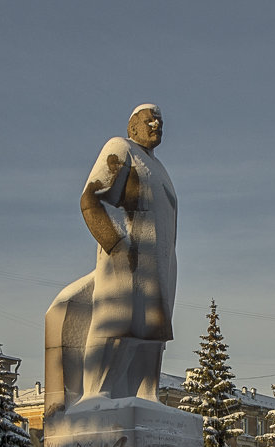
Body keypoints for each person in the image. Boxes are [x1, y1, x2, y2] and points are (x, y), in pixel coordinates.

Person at [44, 103, 179, 414]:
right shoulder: (122, 147)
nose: (156, 125)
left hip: (160, 262)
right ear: (132, 127)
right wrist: (117, 245)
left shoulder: (160, 168)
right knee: (118, 321)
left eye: (159, 120)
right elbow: (91, 200)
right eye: (149, 120)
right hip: (127, 256)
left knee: (153, 331)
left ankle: (148, 396)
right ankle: (96, 394)